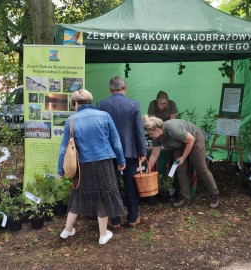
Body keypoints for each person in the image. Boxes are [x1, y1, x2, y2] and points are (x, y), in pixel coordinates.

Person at [58, 89, 126, 245]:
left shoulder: (71, 120)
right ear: (89, 101)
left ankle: (67, 230)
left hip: (83, 165)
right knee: (103, 195)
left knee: (77, 195)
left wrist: (60, 169)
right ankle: (103, 235)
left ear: (75, 103)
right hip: (104, 162)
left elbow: (63, 148)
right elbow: (116, 141)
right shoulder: (104, 116)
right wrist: (121, 160)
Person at [96, 76, 147, 228]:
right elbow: (139, 130)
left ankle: (115, 219)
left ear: (110, 89)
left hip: (108, 152)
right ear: (125, 87)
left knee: (112, 185)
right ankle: (132, 218)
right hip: (130, 152)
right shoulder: (134, 104)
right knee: (131, 184)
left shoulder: (100, 104)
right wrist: (143, 151)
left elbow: (99, 132)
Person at [143, 115, 219, 208]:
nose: (150, 136)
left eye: (150, 134)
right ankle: (185, 197)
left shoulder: (172, 129)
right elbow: (154, 154)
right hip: (179, 144)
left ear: (157, 129)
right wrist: (148, 170)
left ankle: (215, 195)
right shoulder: (156, 138)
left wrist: (183, 158)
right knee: (179, 169)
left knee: (201, 169)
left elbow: (190, 140)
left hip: (194, 140)